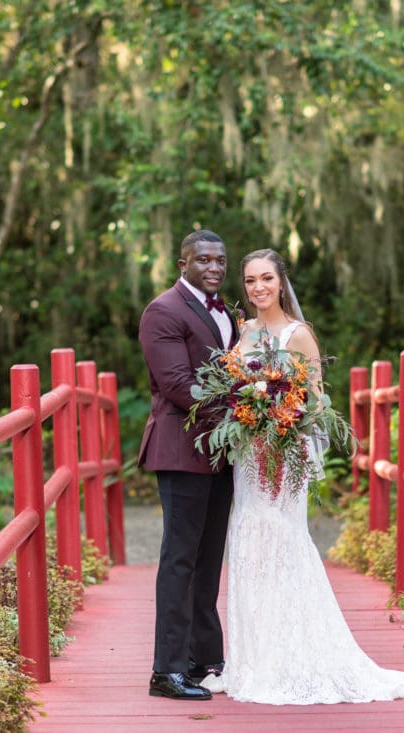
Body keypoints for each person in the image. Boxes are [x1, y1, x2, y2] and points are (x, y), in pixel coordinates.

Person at [200, 248, 404, 704]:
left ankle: (296, 654)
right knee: (248, 540)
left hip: (283, 453)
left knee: (282, 540)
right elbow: (231, 389)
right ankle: (254, 658)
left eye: (266, 278)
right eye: (250, 281)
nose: (257, 288)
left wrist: (279, 419)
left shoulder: (299, 334)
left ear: (281, 280)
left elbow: (313, 402)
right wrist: (249, 412)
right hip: (249, 453)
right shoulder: (243, 331)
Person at [137, 230, 239, 701]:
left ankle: (204, 658)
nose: (213, 267)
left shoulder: (227, 314)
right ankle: (167, 670)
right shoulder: (163, 311)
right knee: (179, 560)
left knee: (208, 558)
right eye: (203, 260)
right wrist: (244, 414)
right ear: (183, 264)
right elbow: (178, 385)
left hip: (221, 454)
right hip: (181, 451)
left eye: (219, 260)